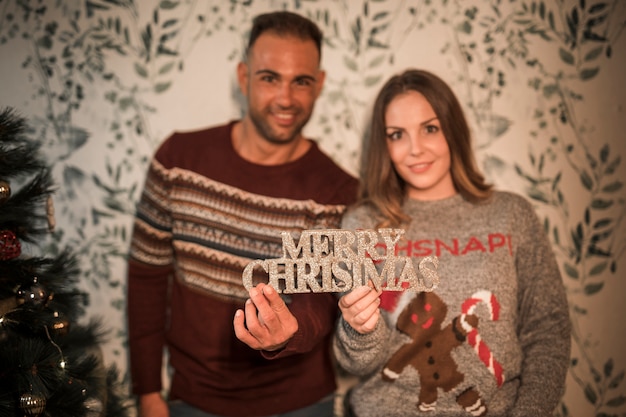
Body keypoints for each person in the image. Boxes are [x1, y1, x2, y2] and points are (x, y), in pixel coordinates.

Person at [126, 10, 358, 417]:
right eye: (270, 77)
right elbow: (147, 278)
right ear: (244, 76)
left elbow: (319, 301)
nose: (286, 99)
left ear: (319, 85)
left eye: (300, 81)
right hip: (191, 399)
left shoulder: (337, 191)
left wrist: (289, 332)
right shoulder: (178, 160)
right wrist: (147, 391)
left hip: (300, 403)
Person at [333, 69, 571, 417]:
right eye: (397, 135)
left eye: (430, 128)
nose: (415, 150)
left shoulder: (511, 215)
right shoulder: (363, 224)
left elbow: (547, 329)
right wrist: (358, 328)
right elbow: (356, 362)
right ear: (384, 146)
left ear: (453, 130)